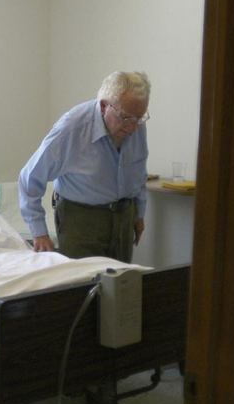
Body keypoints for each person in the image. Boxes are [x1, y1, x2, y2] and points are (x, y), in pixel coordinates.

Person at [18, 71, 151, 262]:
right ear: (104, 106)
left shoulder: (134, 121)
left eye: (139, 118)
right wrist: (39, 232)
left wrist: (139, 214)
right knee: (83, 286)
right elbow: (29, 177)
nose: (133, 127)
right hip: (82, 220)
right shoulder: (72, 128)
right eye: (126, 118)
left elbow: (138, 171)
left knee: (120, 286)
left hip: (124, 217)